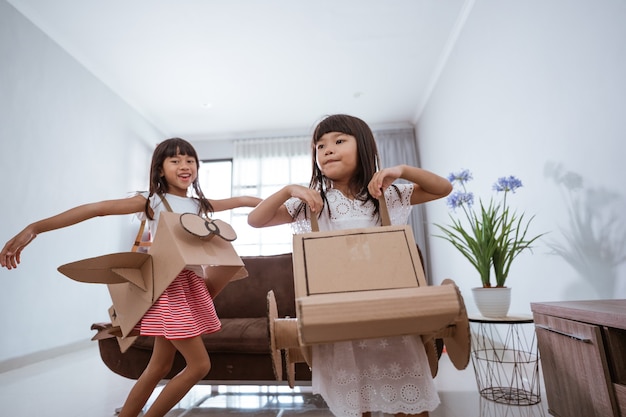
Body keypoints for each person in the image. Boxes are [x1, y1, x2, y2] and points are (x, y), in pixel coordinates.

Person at [0, 137, 261, 417]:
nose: (184, 166)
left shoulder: (200, 206)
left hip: (190, 285)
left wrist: (292, 204)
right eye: (175, 160)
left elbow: (246, 200)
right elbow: (97, 209)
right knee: (199, 366)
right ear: (160, 170)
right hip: (168, 287)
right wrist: (35, 227)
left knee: (159, 366)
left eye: (190, 160)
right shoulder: (152, 202)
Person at [247, 114, 452, 417]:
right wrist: (289, 189)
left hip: (389, 315)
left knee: (411, 405)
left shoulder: (388, 195)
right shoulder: (313, 203)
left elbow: (443, 188)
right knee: (358, 405)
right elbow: (256, 220)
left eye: (339, 140)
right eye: (319, 145)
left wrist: (401, 170)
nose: (327, 149)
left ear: (365, 147)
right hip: (338, 319)